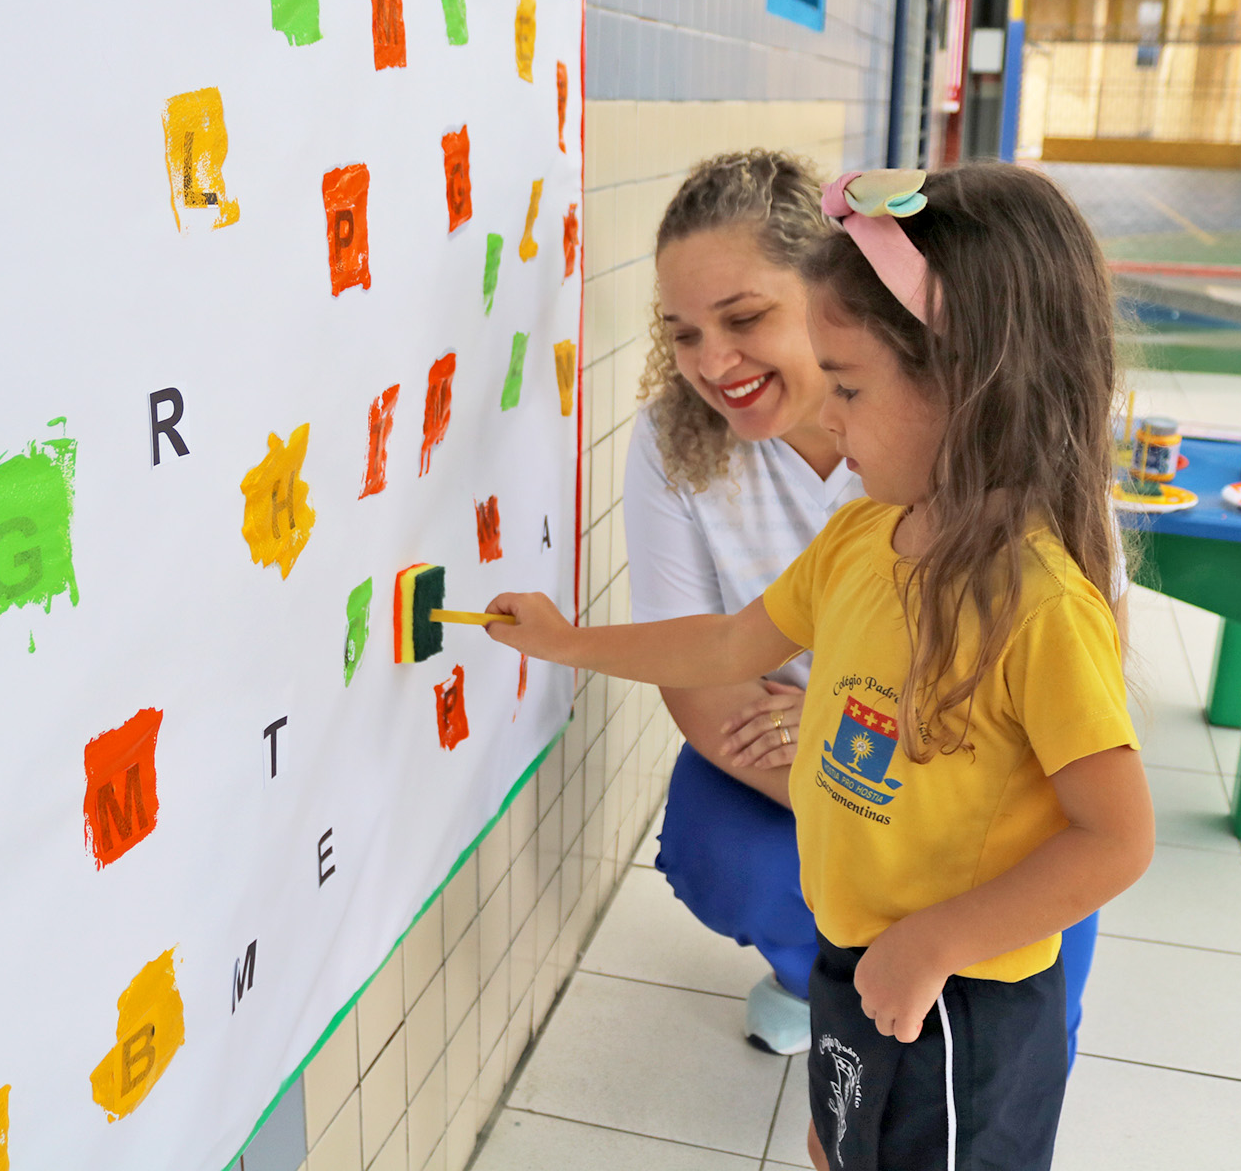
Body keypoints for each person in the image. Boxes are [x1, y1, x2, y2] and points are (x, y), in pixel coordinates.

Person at [484, 163, 1155, 1170]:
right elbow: (724, 644)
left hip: (962, 983)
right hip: (858, 941)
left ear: (966, 383)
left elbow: (1115, 837)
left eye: (847, 387)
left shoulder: (1041, 604)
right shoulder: (861, 538)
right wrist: (561, 641)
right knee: (840, 1144)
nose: (831, 421)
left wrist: (934, 943)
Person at [625, 151, 1114, 1068]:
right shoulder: (694, 449)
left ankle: (881, 971)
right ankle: (825, 974)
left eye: (746, 318)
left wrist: (851, 743)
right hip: (832, 772)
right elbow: (707, 664)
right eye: (681, 333)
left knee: (1009, 1038)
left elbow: (1094, 802)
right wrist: (855, 781)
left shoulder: (1002, 502)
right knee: (734, 866)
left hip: (960, 793)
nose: (711, 363)